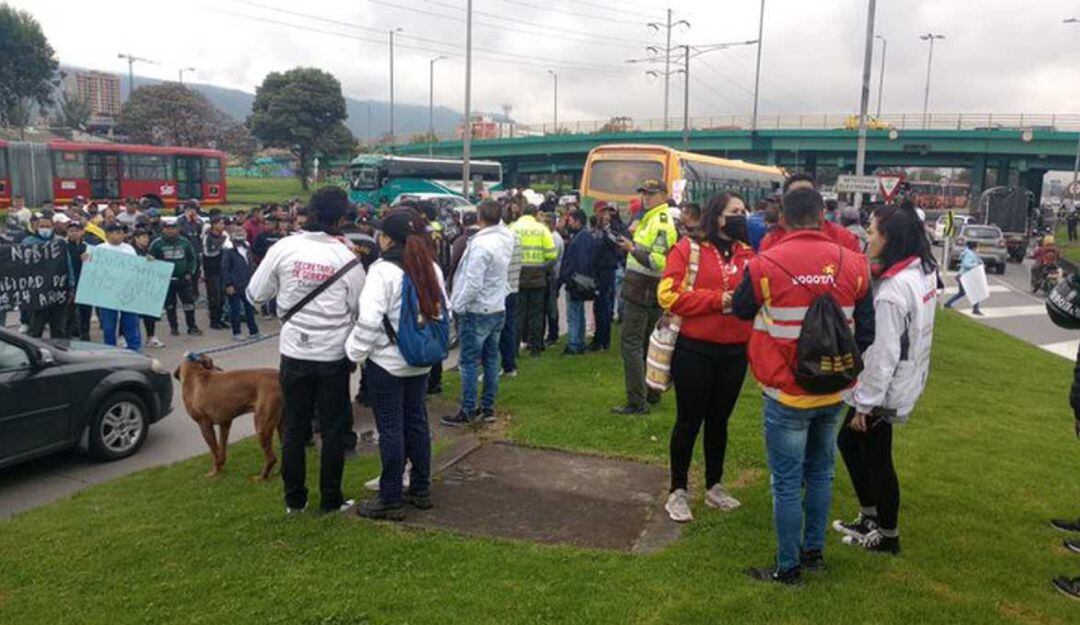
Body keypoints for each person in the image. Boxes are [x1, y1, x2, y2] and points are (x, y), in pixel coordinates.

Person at [732, 187, 871, 585]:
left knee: (788, 481)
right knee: (823, 472)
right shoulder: (854, 261)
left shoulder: (764, 264)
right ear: (821, 216)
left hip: (786, 392)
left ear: (783, 219)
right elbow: (867, 327)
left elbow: (742, 308)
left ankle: (788, 567)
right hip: (834, 391)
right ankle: (814, 553)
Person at [248, 187, 366, 515]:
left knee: (295, 428)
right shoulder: (347, 258)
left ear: (309, 212)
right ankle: (330, 500)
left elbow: (255, 293)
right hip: (332, 356)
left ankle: (294, 500)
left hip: (294, 354)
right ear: (342, 218)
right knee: (332, 430)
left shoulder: (284, 248)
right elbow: (358, 308)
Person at [833, 203, 939, 556]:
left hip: (886, 388)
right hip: (905, 378)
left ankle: (887, 535)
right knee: (851, 445)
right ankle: (871, 519)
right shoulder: (922, 270)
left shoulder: (894, 291)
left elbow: (885, 352)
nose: (867, 235)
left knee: (874, 457)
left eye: (874, 231)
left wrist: (866, 404)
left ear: (890, 238)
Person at [657, 195, 754, 523]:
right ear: (716, 216)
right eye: (734, 212)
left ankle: (715, 485)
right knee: (688, 420)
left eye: (743, 212)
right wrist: (717, 300)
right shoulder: (689, 248)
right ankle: (678, 489)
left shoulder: (749, 252)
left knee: (719, 420)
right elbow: (668, 294)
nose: (741, 217)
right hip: (695, 349)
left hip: (735, 351)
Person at [346, 209, 446, 520]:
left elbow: (370, 320)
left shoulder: (382, 271)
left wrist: (355, 353)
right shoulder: (430, 267)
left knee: (391, 428)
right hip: (419, 359)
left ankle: (390, 496)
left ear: (387, 238)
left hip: (387, 362)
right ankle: (420, 487)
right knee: (416, 422)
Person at [441, 201, 515, 427]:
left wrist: (457, 305)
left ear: (480, 217)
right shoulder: (505, 238)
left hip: (477, 308)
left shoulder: (481, 245)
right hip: (497, 305)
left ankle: (468, 409)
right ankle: (488, 406)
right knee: (492, 358)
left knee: (469, 361)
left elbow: (473, 282)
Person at [613, 179, 678, 415]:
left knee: (631, 345)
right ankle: (651, 393)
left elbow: (657, 261)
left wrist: (632, 249)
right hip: (645, 290)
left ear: (663, 195)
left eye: (651, 193)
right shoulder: (651, 218)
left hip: (642, 290)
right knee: (646, 345)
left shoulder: (660, 222)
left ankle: (637, 401)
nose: (646, 197)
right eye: (644, 193)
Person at [760, 174, 862, 253]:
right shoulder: (771, 240)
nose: (803, 201)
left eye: (808, 195)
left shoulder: (844, 238)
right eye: (796, 197)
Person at [510, 204, 557, 358]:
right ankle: (536, 349)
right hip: (537, 277)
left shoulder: (513, 228)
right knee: (536, 314)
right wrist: (542, 267)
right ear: (536, 214)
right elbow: (552, 254)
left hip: (518, 276)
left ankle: (514, 349)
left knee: (518, 315)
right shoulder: (542, 229)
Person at [93, 223, 142, 351]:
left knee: (131, 322)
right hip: (107, 292)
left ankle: (135, 349)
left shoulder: (129, 249)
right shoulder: (99, 248)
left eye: (121, 232)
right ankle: (110, 350)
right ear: (107, 234)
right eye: (117, 232)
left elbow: (136, 267)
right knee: (109, 325)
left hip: (126, 292)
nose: (120, 235)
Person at [22, 214, 72, 339]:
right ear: (36, 227)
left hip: (57, 291)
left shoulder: (60, 242)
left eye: (47, 226)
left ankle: (60, 355)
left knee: (59, 329)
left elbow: (68, 264)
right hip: (37, 293)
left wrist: (71, 285)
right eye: (42, 226)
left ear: (53, 227)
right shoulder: (28, 242)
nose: (45, 228)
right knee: (35, 329)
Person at [150, 220, 203, 335]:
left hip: (183, 279)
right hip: (166, 280)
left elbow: (192, 258)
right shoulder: (157, 244)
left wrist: (190, 272)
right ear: (163, 229)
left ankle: (192, 326)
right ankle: (174, 328)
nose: (170, 230)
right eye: (167, 228)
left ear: (177, 229)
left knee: (189, 304)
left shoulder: (184, 242)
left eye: (173, 228)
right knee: (170, 305)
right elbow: (151, 260)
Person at [558, 209, 595, 355]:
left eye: (571, 221)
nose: (569, 224)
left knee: (573, 312)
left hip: (576, 280)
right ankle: (579, 342)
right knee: (578, 311)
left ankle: (573, 344)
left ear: (578, 221)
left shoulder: (581, 238)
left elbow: (578, 261)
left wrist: (569, 277)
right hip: (581, 279)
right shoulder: (583, 236)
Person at [591, 201, 627, 351]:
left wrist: (607, 230)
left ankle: (603, 340)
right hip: (597, 270)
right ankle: (598, 338)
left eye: (606, 212)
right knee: (598, 305)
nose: (604, 215)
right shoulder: (595, 230)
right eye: (602, 212)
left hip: (607, 270)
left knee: (604, 305)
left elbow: (617, 243)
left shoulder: (611, 229)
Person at [499, 205, 524, 377]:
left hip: (500, 289)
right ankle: (510, 365)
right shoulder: (516, 237)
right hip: (514, 287)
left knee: (495, 332)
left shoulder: (500, 239)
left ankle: (495, 367)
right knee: (509, 328)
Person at [221, 227, 260, 341]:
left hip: (247, 283)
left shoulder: (247, 247)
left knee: (249, 309)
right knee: (235, 310)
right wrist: (228, 284)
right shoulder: (228, 249)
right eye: (237, 234)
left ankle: (254, 331)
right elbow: (225, 268)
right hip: (234, 284)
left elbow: (250, 263)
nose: (240, 236)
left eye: (241, 233)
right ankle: (236, 332)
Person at [129, 228, 165, 348]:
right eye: (143, 237)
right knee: (131, 314)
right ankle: (123, 336)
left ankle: (151, 337)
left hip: (146, 286)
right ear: (136, 238)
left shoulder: (148, 250)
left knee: (149, 312)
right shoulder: (130, 250)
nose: (146, 239)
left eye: (147, 237)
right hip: (132, 287)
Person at [65, 221, 93, 341]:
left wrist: (89, 258)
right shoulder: (63, 246)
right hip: (69, 282)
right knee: (69, 310)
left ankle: (85, 333)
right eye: (71, 230)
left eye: (77, 230)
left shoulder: (88, 247)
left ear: (82, 232)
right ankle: (68, 333)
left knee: (85, 310)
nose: (74, 233)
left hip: (85, 282)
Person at [943, 240, 984, 316]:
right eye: (977, 246)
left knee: (963, 293)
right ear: (974, 247)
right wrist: (976, 265)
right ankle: (975, 309)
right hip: (965, 277)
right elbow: (966, 264)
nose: (978, 248)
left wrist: (979, 261)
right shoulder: (969, 254)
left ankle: (948, 304)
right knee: (974, 292)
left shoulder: (969, 253)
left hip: (964, 276)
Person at [542, 212, 565, 346]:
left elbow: (552, 259)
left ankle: (553, 334)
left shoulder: (554, 238)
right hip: (551, 276)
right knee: (548, 306)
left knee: (551, 307)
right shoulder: (550, 236)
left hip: (553, 277)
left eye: (547, 222)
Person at [202, 216, 228, 330]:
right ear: (214, 224)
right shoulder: (207, 236)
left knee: (222, 297)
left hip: (222, 270)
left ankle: (220, 318)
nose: (223, 226)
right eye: (221, 223)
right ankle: (214, 320)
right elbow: (208, 253)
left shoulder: (224, 236)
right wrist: (221, 248)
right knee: (214, 297)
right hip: (211, 271)